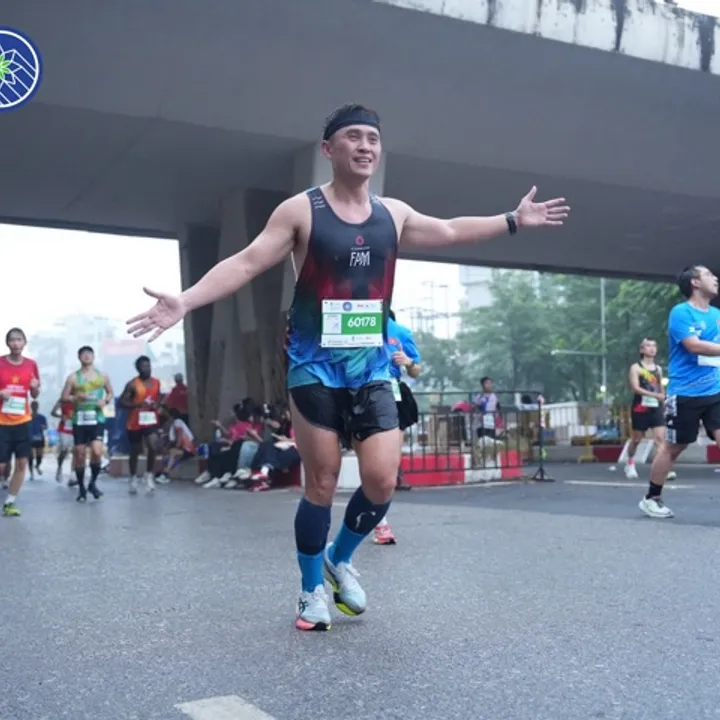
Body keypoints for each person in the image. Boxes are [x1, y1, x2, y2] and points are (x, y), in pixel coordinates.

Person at [126, 103, 569, 630]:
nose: (365, 146)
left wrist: (513, 220)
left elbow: (450, 231)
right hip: (313, 366)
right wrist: (185, 300)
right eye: (353, 137)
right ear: (328, 149)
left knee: (381, 480)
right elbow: (246, 262)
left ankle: (340, 557)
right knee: (323, 480)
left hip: (372, 368)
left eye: (372, 139)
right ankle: (310, 589)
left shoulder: (393, 214)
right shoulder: (301, 211)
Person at [640, 265, 720, 519]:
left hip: (715, 392)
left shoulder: (717, 314)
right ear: (695, 282)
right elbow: (693, 346)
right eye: (709, 275)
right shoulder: (681, 312)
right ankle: (651, 498)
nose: (715, 278)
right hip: (685, 393)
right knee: (674, 448)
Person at [374, 309, 422, 545]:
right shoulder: (355, 325)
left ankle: (379, 519)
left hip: (391, 393)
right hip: (360, 392)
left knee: (390, 463)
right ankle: (375, 520)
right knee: (371, 462)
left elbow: (416, 369)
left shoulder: (400, 332)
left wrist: (408, 362)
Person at [61, 346, 114, 502]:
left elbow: (110, 392)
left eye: (89, 354)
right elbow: (64, 397)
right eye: (83, 354)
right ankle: (82, 488)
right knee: (80, 454)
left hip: (97, 418)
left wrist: (105, 401)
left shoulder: (102, 376)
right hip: (80, 419)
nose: (86, 356)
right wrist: (76, 397)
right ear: (79, 357)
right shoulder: (73, 378)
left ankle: (92, 483)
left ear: (93, 356)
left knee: (97, 451)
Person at [0, 328, 40, 517]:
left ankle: (10, 501)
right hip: (2, 421)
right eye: (12, 340)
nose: (16, 343)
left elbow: (35, 393)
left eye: (19, 340)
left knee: (22, 463)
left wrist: (35, 388)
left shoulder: (31, 365)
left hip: (23, 420)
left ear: (24, 342)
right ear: (7, 343)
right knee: (2, 465)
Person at [625, 338, 675, 481]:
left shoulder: (658, 369)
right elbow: (636, 388)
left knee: (660, 439)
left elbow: (660, 388)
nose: (652, 348)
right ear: (642, 349)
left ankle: (664, 469)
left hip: (656, 407)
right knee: (636, 439)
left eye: (654, 346)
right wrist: (655, 395)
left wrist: (665, 404)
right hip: (640, 407)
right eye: (648, 346)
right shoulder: (636, 367)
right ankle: (630, 463)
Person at [119, 356, 162, 495]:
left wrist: (156, 405)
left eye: (148, 366)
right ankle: (133, 477)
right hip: (135, 421)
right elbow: (122, 402)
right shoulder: (132, 384)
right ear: (138, 369)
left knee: (153, 445)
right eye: (143, 366)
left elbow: (158, 398)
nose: (147, 369)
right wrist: (138, 404)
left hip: (150, 419)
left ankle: (149, 475)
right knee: (136, 450)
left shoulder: (156, 382)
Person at [155, 408, 196, 482]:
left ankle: (165, 474)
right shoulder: (172, 426)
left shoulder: (178, 422)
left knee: (173, 452)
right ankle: (161, 473)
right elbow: (172, 440)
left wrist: (177, 446)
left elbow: (180, 434)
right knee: (166, 454)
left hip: (188, 449)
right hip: (182, 449)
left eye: (168, 416)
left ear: (172, 416)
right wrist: (166, 449)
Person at [51, 395, 76, 484]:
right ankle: (59, 467)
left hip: (76, 427)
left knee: (76, 451)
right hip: (64, 429)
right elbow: (53, 412)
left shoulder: (79, 398)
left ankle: (72, 476)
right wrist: (61, 416)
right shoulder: (63, 400)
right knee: (64, 451)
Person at [29, 401, 48, 480]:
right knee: (30, 456)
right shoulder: (28, 417)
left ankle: (37, 466)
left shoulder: (42, 417)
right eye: (33, 406)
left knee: (39, 455)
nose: (34, 407)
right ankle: (31, 473)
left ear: (38, 407)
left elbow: (46, 427)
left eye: (36, 406)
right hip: (30, 438)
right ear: (31, 407)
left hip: (39, 437)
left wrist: (43, 427)